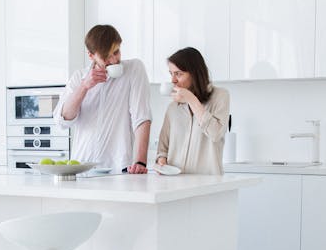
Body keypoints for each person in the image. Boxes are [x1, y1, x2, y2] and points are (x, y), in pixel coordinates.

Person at [56, 25, 151, 173]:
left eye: (116, 52)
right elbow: (63, 120)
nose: (114, 60)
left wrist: (140, 162)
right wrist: (84, 86)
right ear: (91, 55)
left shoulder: (134, 70)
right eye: (106, 57)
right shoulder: (78, 78)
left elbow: (142, 117)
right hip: (81, 167)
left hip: (119, 168)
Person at [156, 47, 230, 175]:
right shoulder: (172, 108)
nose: (173, 80)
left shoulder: (220, 96)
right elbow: (163, 149)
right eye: (171, 73)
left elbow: (215, 134)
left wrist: (191, 99)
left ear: (195, 74)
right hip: (176, 185)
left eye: (178, 74)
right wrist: (161, 160)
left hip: (208, 185)